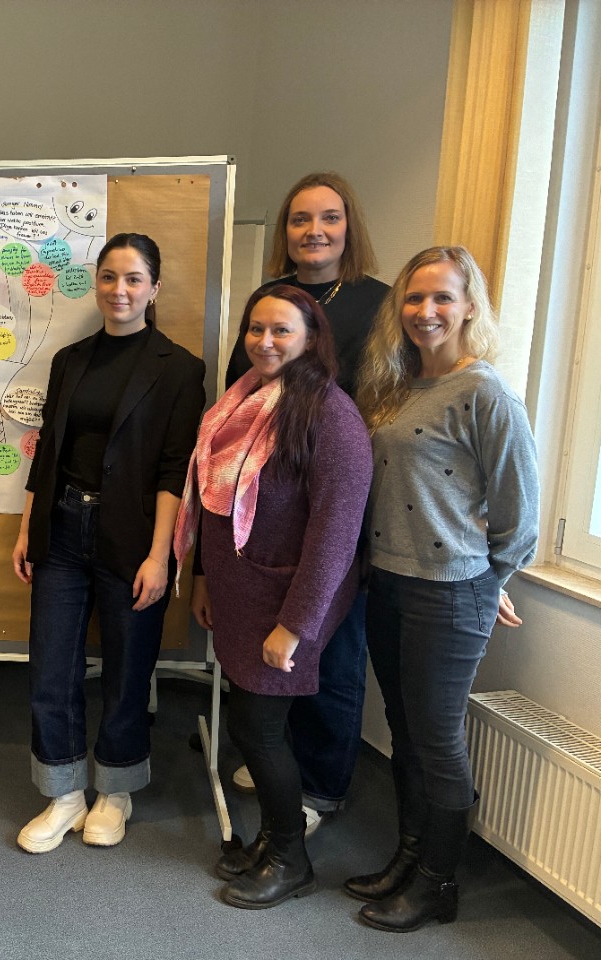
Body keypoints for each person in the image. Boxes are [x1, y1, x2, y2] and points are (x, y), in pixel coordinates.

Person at [350, 246, 539, 931]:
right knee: (406, 734)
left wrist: (490, 584)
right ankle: (409, 855)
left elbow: (521, 517)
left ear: (468, 307)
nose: (426, 311)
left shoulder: (484, 391)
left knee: (438, 740)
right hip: (391, 583)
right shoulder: (395, 387)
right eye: (413, 298)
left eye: (442, 298)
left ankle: (439, 881)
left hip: (449, 594)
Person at [173, 286, 372, 908]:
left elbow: (335, 539)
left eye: (282, 331)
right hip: (241, 596)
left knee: (259, 731)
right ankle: (271, 841)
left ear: (312, 338)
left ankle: (291, 858)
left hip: (282, 605)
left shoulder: (329, 416)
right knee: (253, 725)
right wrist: (204, 577)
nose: (265, 342)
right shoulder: (244, 401)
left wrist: (295, 626)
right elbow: (214, 506)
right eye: (255, 329)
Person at [11, 232, 205, 853]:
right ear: (95, 283)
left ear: (154, 287)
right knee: (52, 663)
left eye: (133, 279)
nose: (119, 290)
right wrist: (27, 529)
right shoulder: (70, 360)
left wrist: (160, 554)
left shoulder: (180, 368)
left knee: (127, 668)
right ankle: (64, 791)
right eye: (109, 277)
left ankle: (115, 789)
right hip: (63, 529)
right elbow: (48, 455)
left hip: (131, 534)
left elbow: (177, 469)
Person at [224, 171, 390, 829]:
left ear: (349, 227)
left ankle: (321, 784)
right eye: (299, 219)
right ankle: (281, 758)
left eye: (328, 218)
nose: (313, 231)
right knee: (279, 643)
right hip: (272, 504)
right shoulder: (271, 298)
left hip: (338, 492)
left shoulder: (377, 302)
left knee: (329, 645)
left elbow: (382, 398)